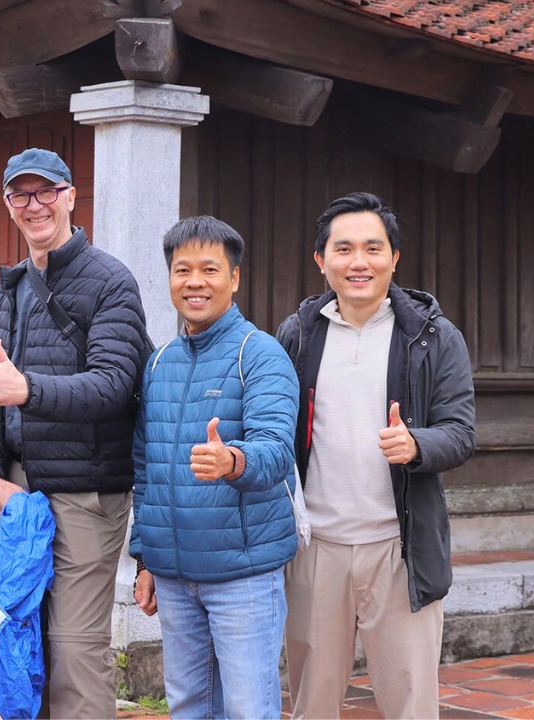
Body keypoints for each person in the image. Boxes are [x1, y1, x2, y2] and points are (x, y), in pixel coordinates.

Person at [0, 147, 151, 718]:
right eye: (21, 195)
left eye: (46, 191)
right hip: (16, 494)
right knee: (20, 647)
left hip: (84, 495)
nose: (34, 205)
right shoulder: (7, 288)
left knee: (73, 651)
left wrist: (29, 390)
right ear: (8, 206)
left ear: (71, 196)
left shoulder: (110, 282)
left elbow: (115, 385)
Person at [276, 192, 476, 719]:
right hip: (315, 549)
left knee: (411, 704)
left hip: (399, 549)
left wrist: (416, 444)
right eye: (343, 249)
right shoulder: (296, 336)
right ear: (321, 260)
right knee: (311, 703)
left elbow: (460, 432)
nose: (358, 262)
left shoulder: (433, 337)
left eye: (373, 248)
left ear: (395, 258)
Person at [129, 216, 300, 719]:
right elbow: (147, 470)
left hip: (243, 575)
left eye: (210, 269)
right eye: (183, 270)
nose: (195, 282)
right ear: (170, 279)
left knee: (250, 709)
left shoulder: (260, 354)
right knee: (188, 706)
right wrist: (144, 559)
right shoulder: (158, 363)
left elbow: (276, 450)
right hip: (175, 578)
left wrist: (232, 460)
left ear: (235, 278)